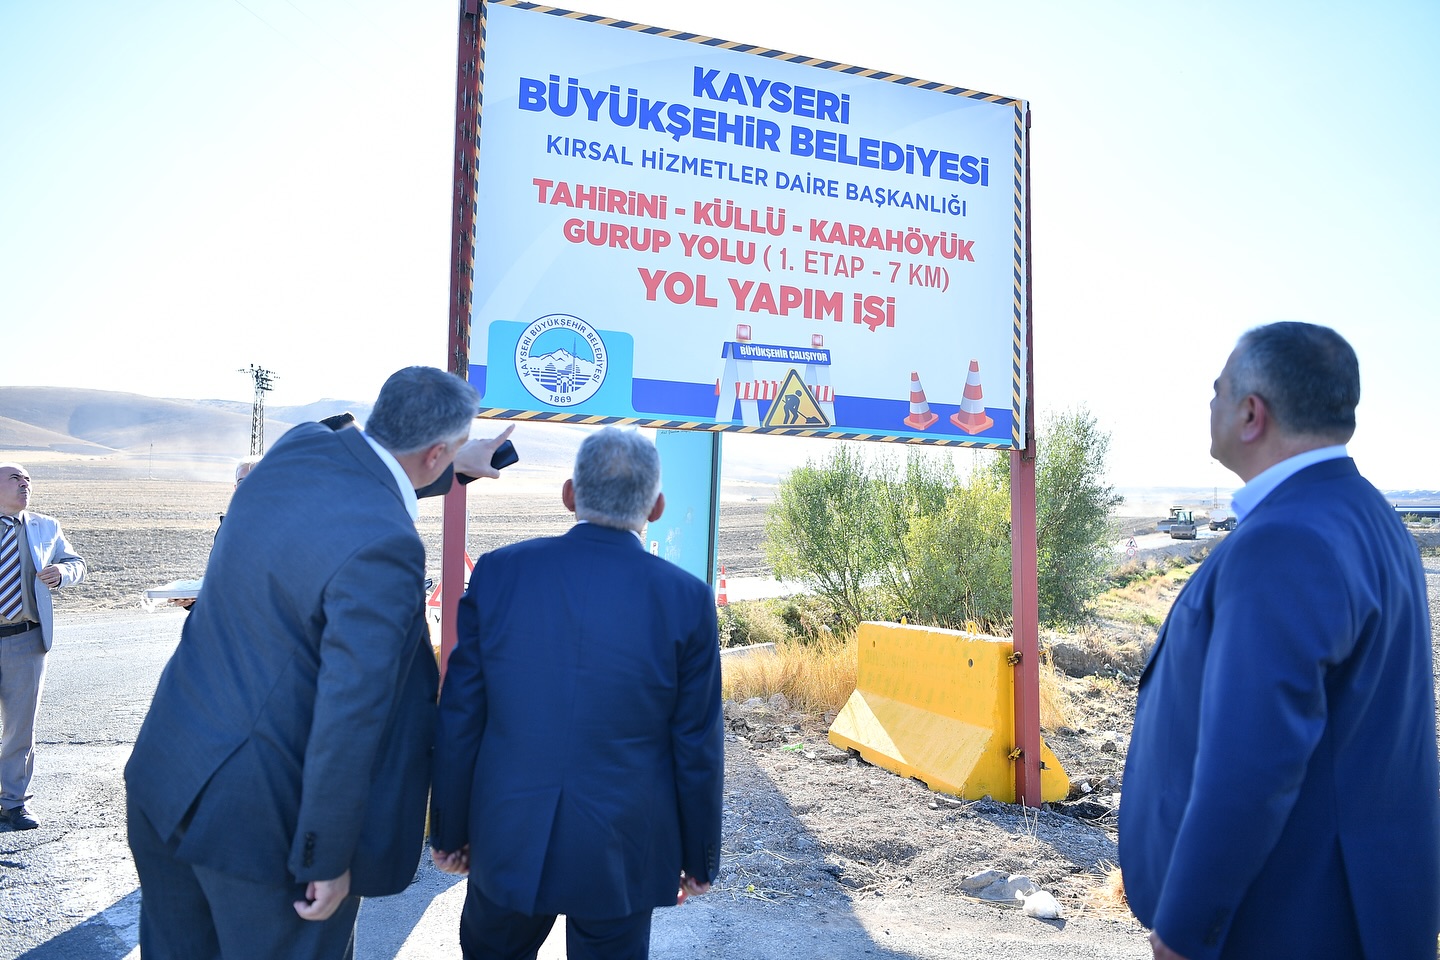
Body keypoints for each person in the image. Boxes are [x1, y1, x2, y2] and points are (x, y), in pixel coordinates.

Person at [125, 366, 507, 959]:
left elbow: (356, 463)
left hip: (167, 778)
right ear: (435, 453)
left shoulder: (297, 447)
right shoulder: (387, 546)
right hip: (263, 829)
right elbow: (350, 715)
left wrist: (454, 464)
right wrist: (324, 857)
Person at [1119, 322, 1440, 959]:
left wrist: (1184, 931)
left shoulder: (1284, 539)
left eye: (1217, 390)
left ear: (1250, 413)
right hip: (1359, 912)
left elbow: (1252, 761)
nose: (1209, 403)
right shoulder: (1370, 516)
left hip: (1288, 921)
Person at [429, 426, 723, 960]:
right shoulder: (687, 599)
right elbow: (696, 744)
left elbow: (460, 714)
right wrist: (699, 859)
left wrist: (448, 832)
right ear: (656, 507)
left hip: (507, 835)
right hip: (622, 849)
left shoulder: (499, 573)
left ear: (569, 495)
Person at [0, 463, 86, 832]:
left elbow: (76, 563)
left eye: (28, 480)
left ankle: (13, 803)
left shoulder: (45, 526)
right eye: (15, 479)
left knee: (20, 729)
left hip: (25, 639)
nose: (25, 484)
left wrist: (63, 573)